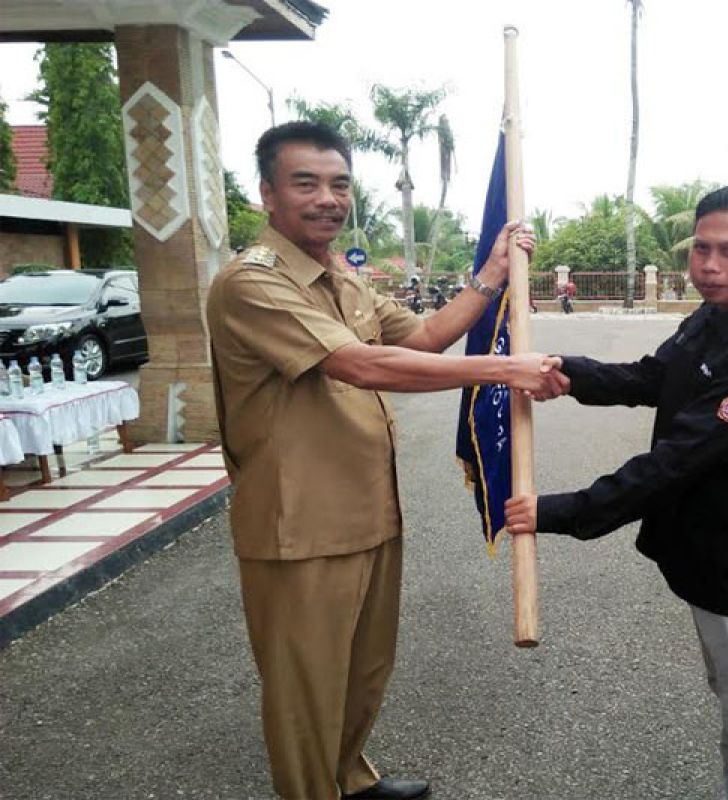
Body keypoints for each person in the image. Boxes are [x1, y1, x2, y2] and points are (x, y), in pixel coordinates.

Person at [206, 122, 564, 800]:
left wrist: (490, 275)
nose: (326, 198)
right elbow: (360, 364)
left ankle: (348, 778)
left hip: (367, 510)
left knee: (362, 670)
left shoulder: (342, 279)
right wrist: (505, 368)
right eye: (305, 182)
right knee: (306, 688)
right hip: (300, 526)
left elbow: (425, 337)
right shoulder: (251, 284)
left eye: (339, 183)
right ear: (268, 194)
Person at [505, 185, 728, 800]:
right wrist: (567, 371)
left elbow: (673, 464)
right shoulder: (715, 319)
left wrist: (560, 511)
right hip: (706, 549)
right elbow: (654, 377)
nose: (708, 264)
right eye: (701, 248)